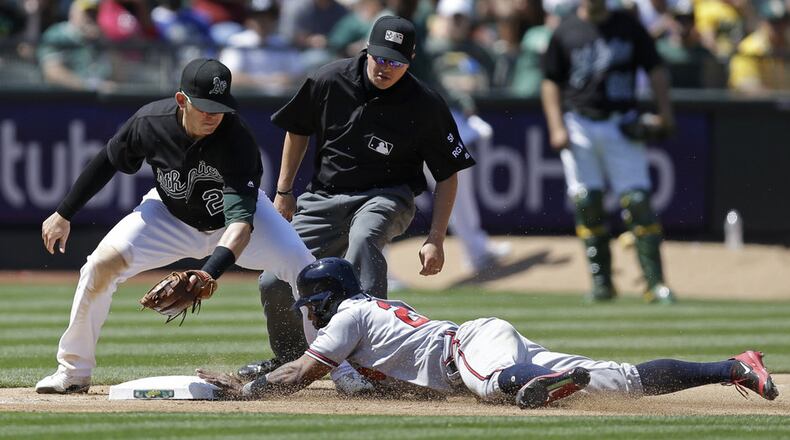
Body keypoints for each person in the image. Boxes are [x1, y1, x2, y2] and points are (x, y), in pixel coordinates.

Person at [34, 58, 334, 395]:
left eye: (219, 107)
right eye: (204, 106)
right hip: (168, 215)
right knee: (99, 266)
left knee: (308, 271)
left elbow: (240, 226)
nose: (212, 115)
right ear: (182, 100)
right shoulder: (151, 122)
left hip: (235, 223)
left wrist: (208, 273)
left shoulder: (237, 138)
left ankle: (338, 366)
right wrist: (64, 212)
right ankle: (73, 371)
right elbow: (107, 160)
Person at [197, 257, 780, 407]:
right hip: (478, 338)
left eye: (311, 303)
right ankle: (733, 366)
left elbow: (301, 373)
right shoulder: (368, 315)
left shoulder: (349, 316)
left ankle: (543, 382)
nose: (310, 312)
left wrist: (243, 389)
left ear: (326, 298)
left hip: (468, 352)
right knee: (623, 382)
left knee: (496, 384)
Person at [238, 15, 476, 381]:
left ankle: (373, 363)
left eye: (396, 61)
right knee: (272, 280)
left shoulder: (425, 104)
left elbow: (447, 175)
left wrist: (437, 238)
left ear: (411, 58)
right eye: (380, 58)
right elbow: (297, 129)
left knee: (364, 240)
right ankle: (289, 356)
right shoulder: (329, 79)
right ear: (367, 49)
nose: (386, 67)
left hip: (388, 196)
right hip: (324, 197)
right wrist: (284, 191)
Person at [540, 0, 677, 303]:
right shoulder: (566, 30)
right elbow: (550, 80)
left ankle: (655, 283)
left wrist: (664, 112)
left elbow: (655, 69)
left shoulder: (628, 26)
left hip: (622, 121)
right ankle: (602, 282)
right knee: (587, 202)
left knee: (638, 201)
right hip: (579, 122)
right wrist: (556, 126)